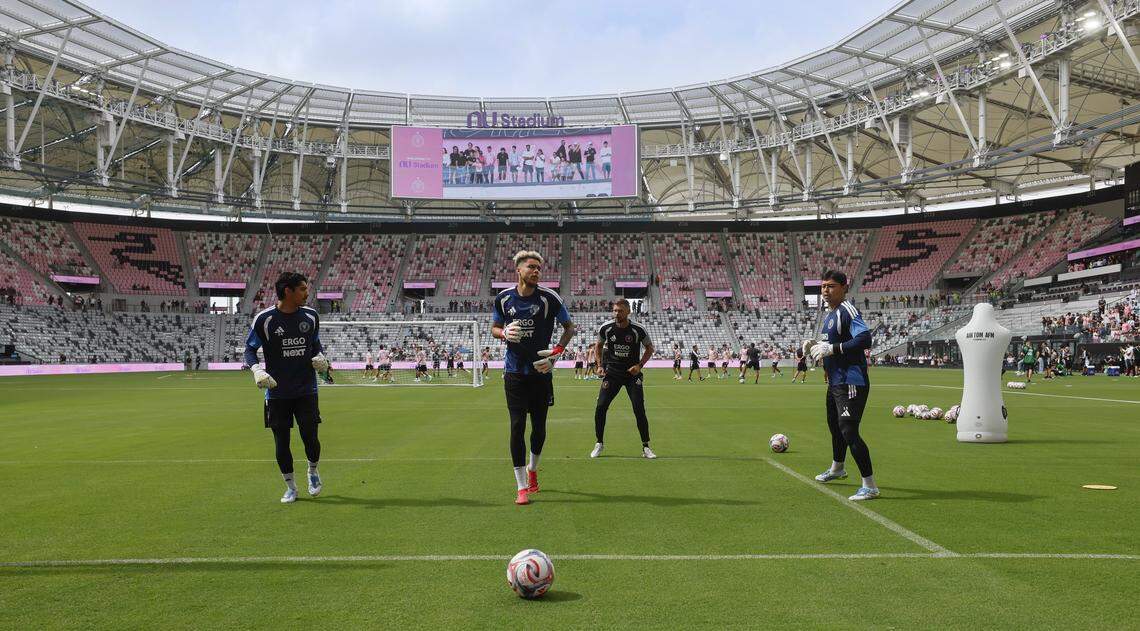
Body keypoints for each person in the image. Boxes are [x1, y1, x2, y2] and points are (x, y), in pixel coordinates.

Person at [492, 250, 576, 505]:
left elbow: (569, 327)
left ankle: (533, 469)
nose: (536, 271)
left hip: (541, 373)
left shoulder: (549, 298)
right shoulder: (503, 298)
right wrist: (504, 332)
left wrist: (555, 355)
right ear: (519, 270)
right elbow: (494, 329)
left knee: (539, 428)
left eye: (539, 267)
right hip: (514, 373)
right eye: (531, 267)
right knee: (517, 426)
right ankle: (521, 487)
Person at [244, 272, 328, 504]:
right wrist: (256, 370)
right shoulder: (265, 319)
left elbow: (315, 344)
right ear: (288, 291)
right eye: (302, 289)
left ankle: (312, 471)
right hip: (277, 392)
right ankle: (291, 487)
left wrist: (321, 357)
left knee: (310, 437)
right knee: (281, 441)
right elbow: (249, 349)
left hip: (306, 390)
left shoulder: (311, 316)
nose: (307, 293)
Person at [804, 270, 877, 501]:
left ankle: (870, 485)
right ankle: (838, 468)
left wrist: (832, 349)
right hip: (835, 382)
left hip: (851, 381)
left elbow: (865, 339)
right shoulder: (830, 315)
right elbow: (830, 346)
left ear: (844, 287)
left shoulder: (848, 310)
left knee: (848, 430)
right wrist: (815, 345)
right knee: (835, 427)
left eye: (831, 286)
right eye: (823, 286)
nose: (826, 290)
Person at [590, 299, 656, 459]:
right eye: (614, 310)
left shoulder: (638, 329)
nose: (616, 314)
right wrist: (599, 365)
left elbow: (649, 348)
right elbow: (598, 346)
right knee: (601, 406)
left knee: (638, 408)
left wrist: (639, 366)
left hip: (632, 375)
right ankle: (599, 443)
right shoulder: (606, 328)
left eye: (620, 311)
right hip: (612, 374)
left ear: (628, 312)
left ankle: (646, 446)